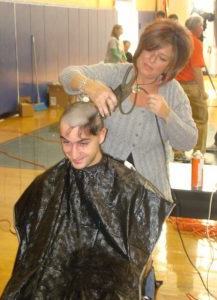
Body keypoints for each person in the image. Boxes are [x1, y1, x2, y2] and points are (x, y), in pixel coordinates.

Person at [59, 19, 197, 299]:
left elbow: (189, 141)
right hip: (103, 189)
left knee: (137, 259)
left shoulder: (173, 92)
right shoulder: (118, 73)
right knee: (100, 257)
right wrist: (91, 86)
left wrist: (167, 114)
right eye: (149, 50)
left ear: (171, 66)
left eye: (161, 58)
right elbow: (67, 74)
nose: (150, 60)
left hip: (148, 194)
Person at [0, 102, 173, 300]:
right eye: (66, 142)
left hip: (109, 278)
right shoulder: (48, 183)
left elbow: (142, 251)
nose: (73, 153)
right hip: (58, 273)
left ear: (101, 135)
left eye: (82, 143)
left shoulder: (127, 185)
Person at [175, 16, 209, 161]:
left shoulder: (177, 41)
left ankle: (177, 151)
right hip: (191, 86)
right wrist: (203, 91)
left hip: (176, 86)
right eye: (201, 25)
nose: (202, 28)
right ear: (195, 27)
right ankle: (198, 152)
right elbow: (196, 70)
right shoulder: (195, 42)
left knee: (177, 120)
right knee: (200, 119)